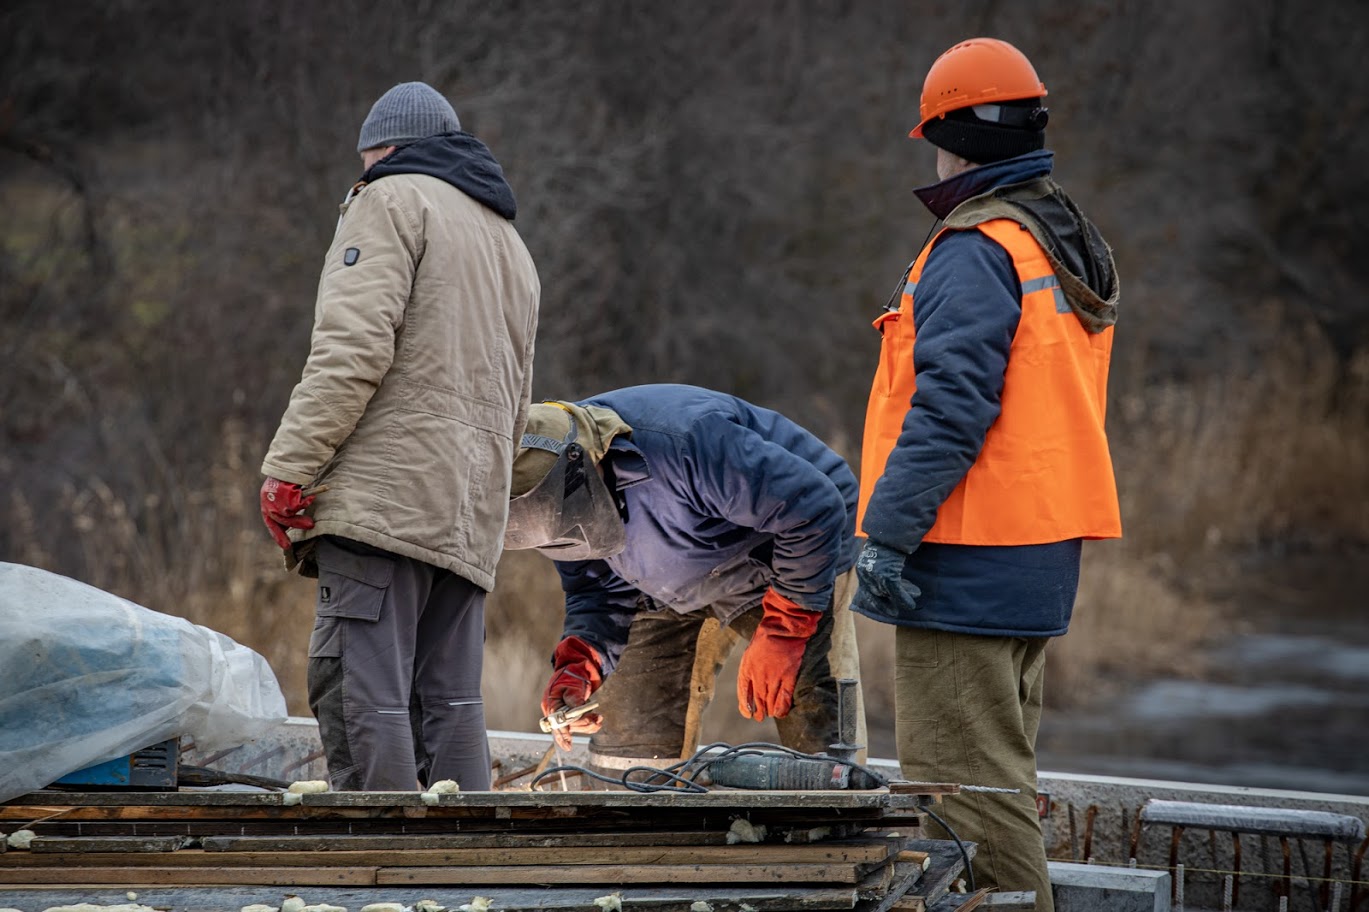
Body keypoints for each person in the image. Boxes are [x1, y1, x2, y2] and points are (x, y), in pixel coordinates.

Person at [851, 38, 1121, 907]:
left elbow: (950, 409)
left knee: (964, 799)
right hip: (1034, 549)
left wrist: (887, 535)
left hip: (966, 557)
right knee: (989, 783)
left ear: (952, 137)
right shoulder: (1057, 233)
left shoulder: (975, 247)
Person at [258, 82, 540, 792]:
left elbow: (351, 350)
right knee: (451, 707)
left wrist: (291, 466)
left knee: (364, 696)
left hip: (384, 504)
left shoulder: (389, 200)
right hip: (469, 515)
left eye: (367, 161)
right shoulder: (509, 242)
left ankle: (379, 854)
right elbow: (518, 398)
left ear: (385, 151)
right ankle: (468, 859)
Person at [504, 384, 867, 776]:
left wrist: (785, 630)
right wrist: (580, 662)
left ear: (588, 465)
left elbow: (813, 507)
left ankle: (832, 796)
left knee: (807, 706)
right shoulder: (544, 505)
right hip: (660, 579)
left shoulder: (687, 444)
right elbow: (596, 590)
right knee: (630, 745)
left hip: (781, 551)